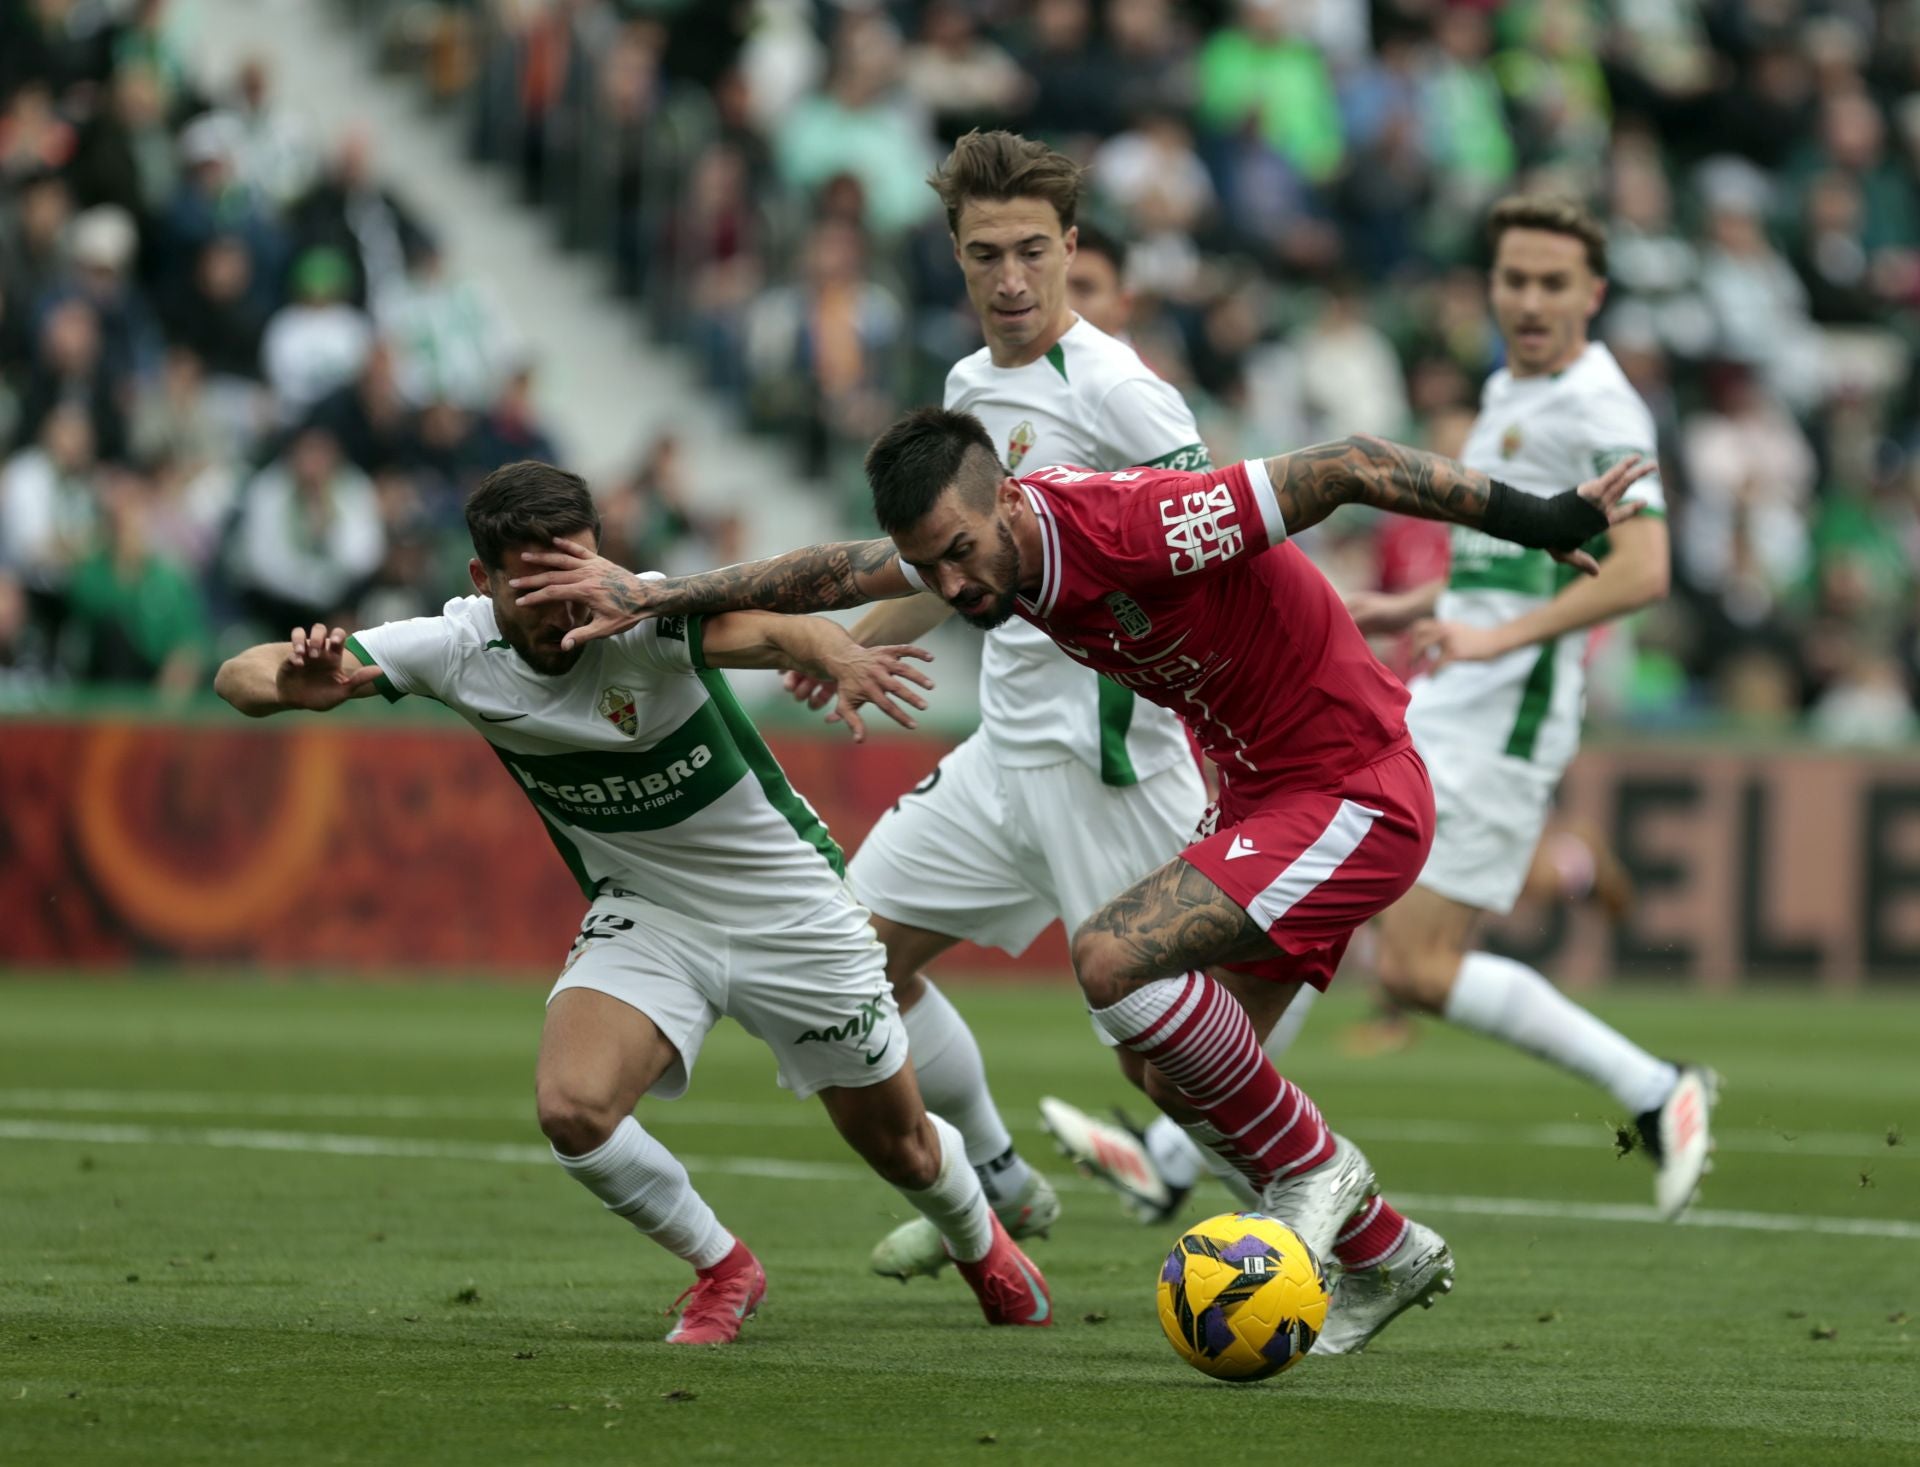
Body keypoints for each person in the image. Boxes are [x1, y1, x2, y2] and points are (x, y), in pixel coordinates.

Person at [508, 407, 1646, 1356]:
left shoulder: (1139, 523)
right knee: (1167, 1069)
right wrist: (665, 595)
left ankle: (1320, 1178)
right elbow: (823, 571)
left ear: (1007, 500)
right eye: (930, 564)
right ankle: (1385, 1252)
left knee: (1110, 955)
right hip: (1259, 795)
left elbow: (1346, 464)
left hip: (1353, 787)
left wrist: (1543, 518)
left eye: (961, 551)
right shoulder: (972, 557)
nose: (951, 586)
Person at [212, 461, 1054, 1344]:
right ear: (481, 582)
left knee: (903, 1148)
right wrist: (290, 678)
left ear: (602, 556)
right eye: (531, 586)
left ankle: (979, 1241)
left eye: (575, 573)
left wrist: (834, 650)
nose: (563, 605)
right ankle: (724, 1268)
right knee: (572, 1109)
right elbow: (243, 675)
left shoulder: (642, 613)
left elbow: (763, 633)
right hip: (647, 912)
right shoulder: (454, 647)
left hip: (790, 911)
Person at [1050, 196, 1716, 1230]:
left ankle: (1653, 1086)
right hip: (1450, 695)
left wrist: (1492, 643)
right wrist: (1412, 606)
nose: (1530, 301)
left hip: (1505, 717)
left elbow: (1642, 573)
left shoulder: (1603, 408)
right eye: (1514, 279)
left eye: (1553, 284)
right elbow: (1504, 567)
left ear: (1594, 295)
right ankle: (1177, 1146)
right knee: (1339, 911)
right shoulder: (1510, 390)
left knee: (1406, 956)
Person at [778, 132, 1219, 1283]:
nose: (1011, 278)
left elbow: (1213, 551)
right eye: (986, 255)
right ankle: (1002, 1184)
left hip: (1111, 767)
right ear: (957, 259)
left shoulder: (1124, 392)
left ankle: (1329, 1221)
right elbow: (952, 567)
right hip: (1003, 754)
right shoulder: (970, 389)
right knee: (850, 965)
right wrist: (849, 644)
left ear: (1074, 248)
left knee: (1168, 1070)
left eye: (1033, 250)